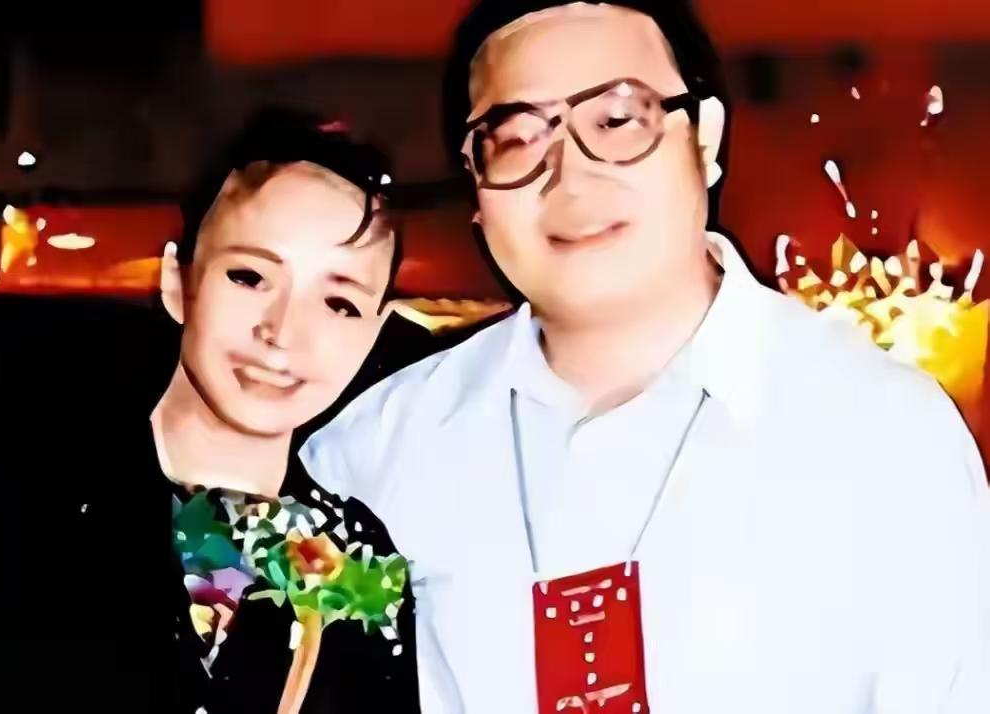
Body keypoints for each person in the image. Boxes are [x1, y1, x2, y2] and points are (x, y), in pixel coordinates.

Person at [300, 2, 990, 713]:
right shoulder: (370, 455)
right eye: (518, 139)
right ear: (475, 183)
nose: (570, 178)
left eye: (617, 120)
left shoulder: (886, 433)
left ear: (706, 139)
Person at [0, 110, 426, 713]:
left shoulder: (358, 563)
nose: (283, 332)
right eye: (250, 277)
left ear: (373, 332)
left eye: (339, 304)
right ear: (179, 282)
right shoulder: (16, 493)